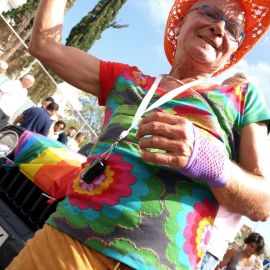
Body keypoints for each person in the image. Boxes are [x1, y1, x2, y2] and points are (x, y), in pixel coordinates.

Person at [7, 0, 270, 270]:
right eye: (209, 12)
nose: (219, 27)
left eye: (234, 29)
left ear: (232, 54)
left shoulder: (242, 100)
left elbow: (262, 202)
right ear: (180, 24)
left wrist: (210, 161)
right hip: (67, 245)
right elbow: (45, 46)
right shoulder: (125, 80)